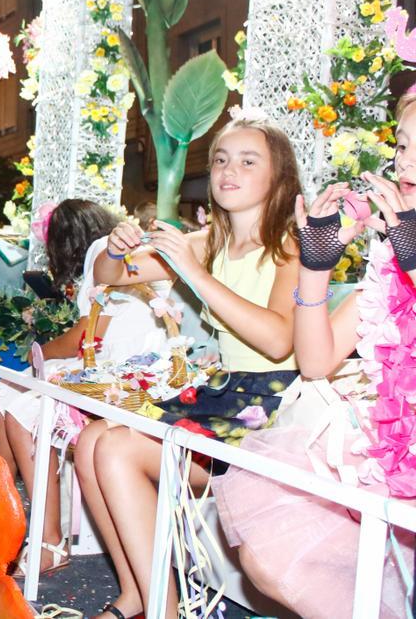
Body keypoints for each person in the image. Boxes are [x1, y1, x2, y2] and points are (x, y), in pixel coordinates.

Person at [76, 111, 302, 619]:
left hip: (270, 409)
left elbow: (277, 338)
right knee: (89, 440)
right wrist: (114, 251)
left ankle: (164, 609)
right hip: (222, 393)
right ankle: (140, 594)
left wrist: (196, 275)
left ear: (279, 179)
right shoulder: (207, 241)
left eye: (248, 161)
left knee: (112, 447)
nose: (228, 170)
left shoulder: (290, 247)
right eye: (221, 159)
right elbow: (109, 277)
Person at [209, 95, 416, 618]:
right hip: (393, 449)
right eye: (403, 145)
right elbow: (316, 361)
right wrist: (317, 265)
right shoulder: (395, 252)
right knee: (270, 553)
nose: (406, 163)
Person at [0, 199, 173, 576]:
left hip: (124, 377)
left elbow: (86, 337)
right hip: (139, 368)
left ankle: (41, 534)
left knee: (16, 401)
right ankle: (7, 514)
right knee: (7, 392)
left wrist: (37, 353)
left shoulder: (100, 251)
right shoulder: (124, 252)